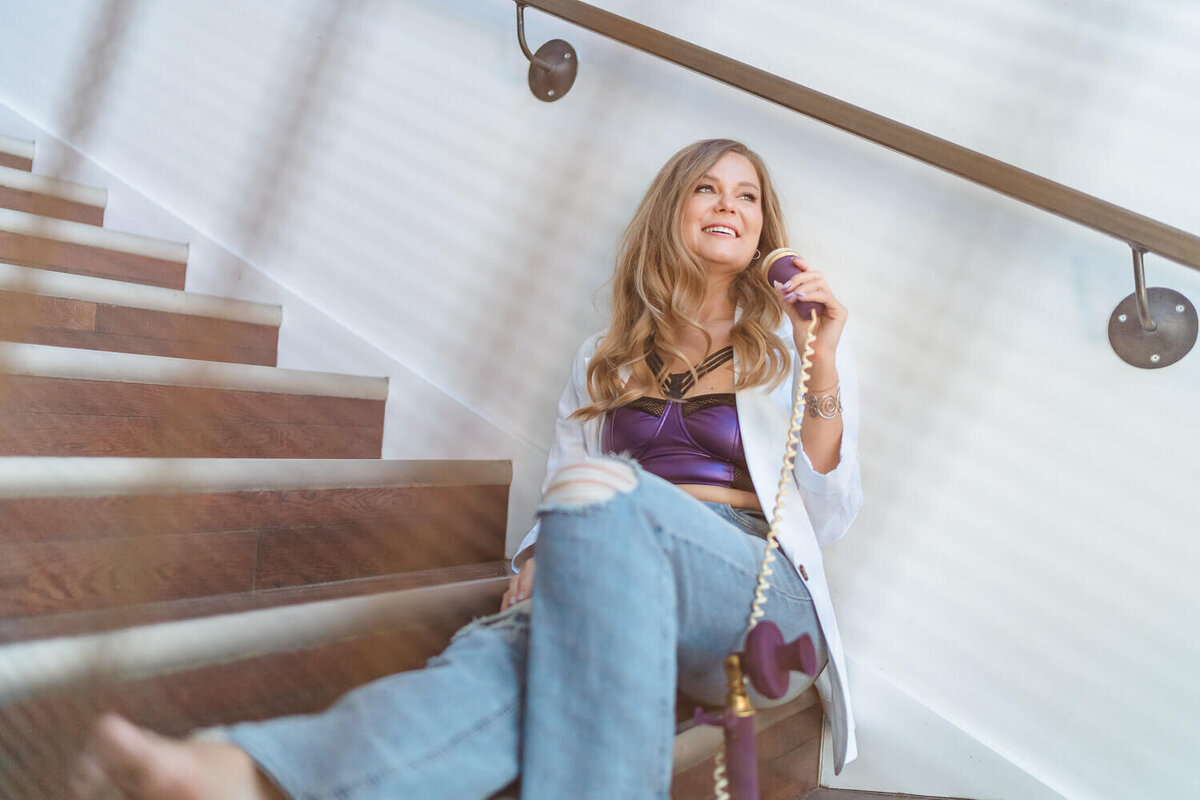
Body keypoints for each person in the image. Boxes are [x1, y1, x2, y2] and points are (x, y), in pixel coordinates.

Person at [70, 138, 862, 800]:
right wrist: (530, 558)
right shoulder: (604, 359)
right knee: (492, 660)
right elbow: (564, 475)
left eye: (747, 196)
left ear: (765, 233)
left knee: (596, 496)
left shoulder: (797, 344)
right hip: (618, 565)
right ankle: (250, 772)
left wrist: (821, 361)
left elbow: (826, 515)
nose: (728, 204)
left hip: (755, 593)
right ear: (672, 212)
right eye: (706, 188)